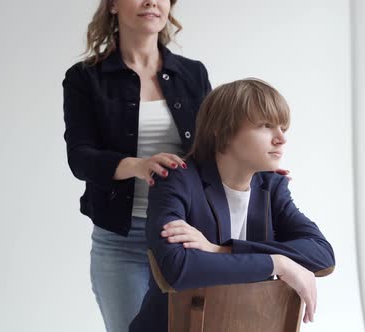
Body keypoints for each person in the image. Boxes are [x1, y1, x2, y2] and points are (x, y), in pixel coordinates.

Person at [130, 78, 336, 332]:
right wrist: (278, 263)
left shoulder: (271, 186)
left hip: (249, 323)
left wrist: (221, 251)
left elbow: (322, 255)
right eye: (266, 126)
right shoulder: (177, 179)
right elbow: (177, 269)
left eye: (283, 127)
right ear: (222, 130)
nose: (281, 138)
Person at [61, 0, 211, 331]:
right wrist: (138, 166)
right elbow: (80, 158)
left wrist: (259, 173)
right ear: (112, 5)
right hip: (120, 242)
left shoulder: (193, 74)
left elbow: (213, 151)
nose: (151, 2)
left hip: (184, 235)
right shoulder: (85, 79)